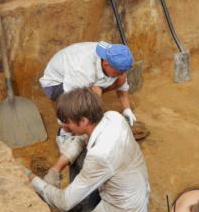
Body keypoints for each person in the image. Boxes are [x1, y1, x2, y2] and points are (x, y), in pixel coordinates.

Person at [28, 87, 150, 212]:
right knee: (78, 153)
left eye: (68, 122)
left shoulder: (101, 155)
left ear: (84, 120)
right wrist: (56, 169)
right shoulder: (113, 117)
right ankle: (78, 208)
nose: (65, 127)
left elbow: (64, 201)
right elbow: (80, 140)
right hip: (124, 187)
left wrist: (33, 180)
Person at [40, 41, 139, 185]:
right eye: (118, 71)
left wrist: (127, 109)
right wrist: (67, 123)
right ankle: (64, 135)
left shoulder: (113, 54)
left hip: (85, 78)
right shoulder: (81, 71)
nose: (121, 74)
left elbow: (122, 83)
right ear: (106, 64)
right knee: (79, 110)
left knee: (114, 83)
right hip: (56, 83)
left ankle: (93, 96)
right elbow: (68, 103)